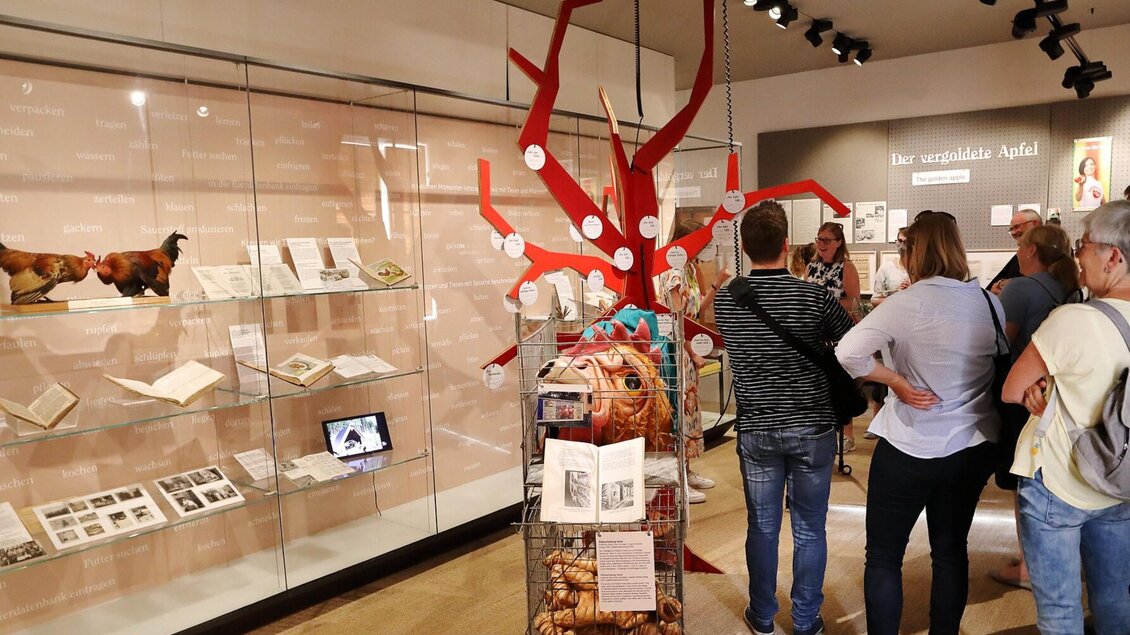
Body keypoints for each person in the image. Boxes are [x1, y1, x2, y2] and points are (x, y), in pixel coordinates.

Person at [835, 211, 1001, 635]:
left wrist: (894, 381)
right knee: (951, 552)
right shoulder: (987, 301)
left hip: (908, 443)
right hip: (971, 444)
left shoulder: (907, 302)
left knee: (885, 556)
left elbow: (848, 352)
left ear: (912, 252)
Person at [714, 200, 853, 635]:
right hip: (813, 428)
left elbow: (712, 326)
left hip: (756, 429)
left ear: (744, 245)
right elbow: (852, 344)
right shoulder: (813, 296)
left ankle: (761, 615)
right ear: (788, 244)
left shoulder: (727, 301)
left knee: (763, 525)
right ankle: (807, 620)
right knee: (810, 527)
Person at [1002, 200, 1130, 635]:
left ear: (1114, 256)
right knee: (1115, 599)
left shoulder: (1073, 318)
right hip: (1121, 480)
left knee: (1059, 610)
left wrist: (1043, 385)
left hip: (1060, 480)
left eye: (1085, 245)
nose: (1077, 254)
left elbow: (1011, 389)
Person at [990, 224, 1081, 591]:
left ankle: (1028, 565)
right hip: (1055, 394)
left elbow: (1001, 343)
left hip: (1022, 394)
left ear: (1029, 251)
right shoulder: (1069, 287)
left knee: (1022, 478)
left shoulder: (1022, 288)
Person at [659, 218, 731, 504]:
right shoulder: (673, 271)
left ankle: (687, 470)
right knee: (678, 411)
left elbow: (696, 310)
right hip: (677, 352)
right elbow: (675, 318)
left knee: (689, 411)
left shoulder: (688, 269)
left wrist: (716, 284)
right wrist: (692, 350)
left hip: (687, 353)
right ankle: (677, 480)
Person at [805, 222, 862, 451]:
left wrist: (826, 305)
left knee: (840, 384)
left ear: (838, 242)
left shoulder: (846, 267)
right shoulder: (812, 266)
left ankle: (847, 435)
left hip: (838, 334)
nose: (822, 244)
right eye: (819, 239)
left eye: (827, 240)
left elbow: (854, 300)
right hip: (815, 334)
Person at [989, 209, 1042, 294]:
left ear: (1035, 223)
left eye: (1017, 227)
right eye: (1012, 229)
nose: (1014, 233)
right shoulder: (1021, 255)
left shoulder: (1051, 251)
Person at [870, 227, 909, 306]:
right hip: (893, 314)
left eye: (906, 242)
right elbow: (875, 300)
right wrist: (895, 296)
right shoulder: (886, 268)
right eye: (900, 241)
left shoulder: (922, 270)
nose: (902, 245)